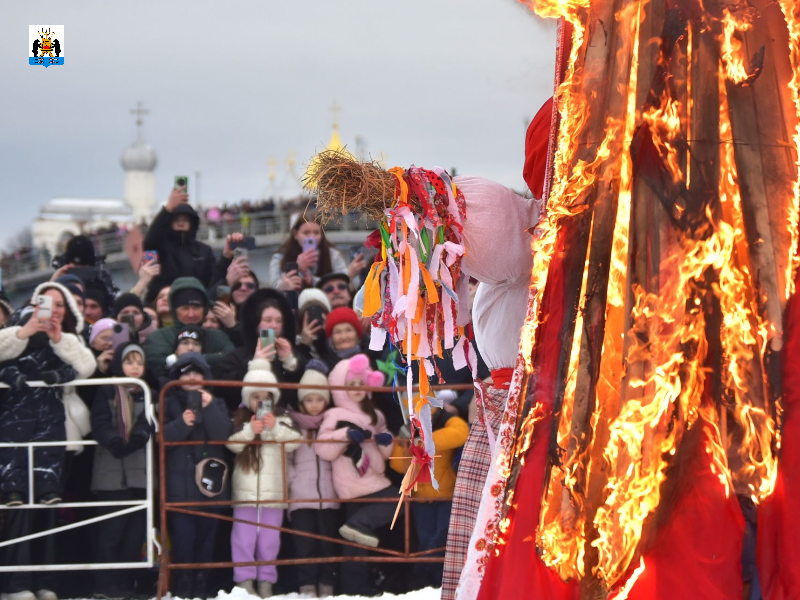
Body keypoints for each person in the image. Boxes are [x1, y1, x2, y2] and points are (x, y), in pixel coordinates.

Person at [0, 282, 96, 600]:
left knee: (49, 511)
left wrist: (58, 339)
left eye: (60, 305)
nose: (52, 311)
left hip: (56, 434)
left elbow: (85, 366)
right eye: (47, 303)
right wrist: (25, 331)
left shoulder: (67, 339)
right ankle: (17, 583)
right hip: (15, 431)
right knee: (19, 509)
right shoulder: (18, 326)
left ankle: (47, 582)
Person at [315, 354, 396, 596]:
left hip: (374, 478)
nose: (357, 389)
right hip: (352, 484)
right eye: (351, 384)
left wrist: (385, 441)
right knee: (355, 548)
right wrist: (346, 435)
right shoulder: (335, 415)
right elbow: (323, 449)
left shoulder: (376, 415)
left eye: (361, 384)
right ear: (341, 387)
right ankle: (354, 591)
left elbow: (386, 452)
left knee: (395, 503)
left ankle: (357, 526)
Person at [227, 358, 301, 598]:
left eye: (265, 396)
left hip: (274, 492)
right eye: (255, 396)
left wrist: (275, 429)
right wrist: (250, 431)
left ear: (273, 397)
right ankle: (244, 580)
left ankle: (266, 582)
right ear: (248, 399)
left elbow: (295, 442)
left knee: (270, 540)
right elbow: (231, 445)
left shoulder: (282, 419)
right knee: (243, 539)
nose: (260, 401)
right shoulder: (239, 420)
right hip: (245, 492)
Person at [162, 352, 232, 599]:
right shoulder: (168, 401)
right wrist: (182, 422)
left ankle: (201, 584)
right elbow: (162, 437)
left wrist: (209, 406)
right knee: (183, 538)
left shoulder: (217, 402)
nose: (192, 377)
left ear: (205, 376)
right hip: (179, 487)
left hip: (210, 485)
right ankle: (183, 584)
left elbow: (223, 434)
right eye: (186, 372)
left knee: (207, 539)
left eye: (197, 372)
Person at [90, 342, 152, 600]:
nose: (134, 368)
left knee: (134, 535)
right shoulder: (106, 391)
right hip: (110, 474)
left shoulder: (148, 393)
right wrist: (113, 440)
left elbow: (148, 421)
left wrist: (139, 435)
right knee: (110, 535)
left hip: (139, 475)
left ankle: (125, 583)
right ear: (119, 365)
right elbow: (100, 421)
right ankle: (105, 584)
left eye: (139, 363)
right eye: (129, 362)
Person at [391, 401, 468, 589]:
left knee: (442, 539)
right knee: (426, 541)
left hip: (446, 495)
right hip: (421, 499)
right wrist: (404, 442)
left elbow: (461, 433)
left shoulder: (445, 419)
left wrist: (424, 442)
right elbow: (397, 465)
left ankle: (421, 578)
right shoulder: (405, 429)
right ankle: (430, 583)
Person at [286, 362, 340, 598]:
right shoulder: (293, 426)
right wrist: (292, 480)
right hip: (301, 497)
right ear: (302, 402)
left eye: (319, 399)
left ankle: (326, 586)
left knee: (327, 544)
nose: (314, 405)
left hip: (329, 495)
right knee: (304, 546)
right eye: (309, 400)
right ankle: (307, 587)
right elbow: (285, 458)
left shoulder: (333, 424)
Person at [214, 288, 304, 413]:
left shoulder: (292, 356)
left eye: (279, 321)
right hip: (245, 420)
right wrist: (254, 364)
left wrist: (290, 363)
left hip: (284, 421)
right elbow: (222, 390)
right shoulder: (237, 356)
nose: (274, 325)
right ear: (256, 324)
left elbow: (304, 393)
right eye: (268, 320)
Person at [144, 277, 235, 380]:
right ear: (174, 309)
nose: (191, 314)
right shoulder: (159, 337)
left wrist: (177, 358)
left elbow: (230, 361)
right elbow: (158, 366)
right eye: (185, 308)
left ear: (204, 309)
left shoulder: (217, 336)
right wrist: (213, 358)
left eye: (196, 308)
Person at [142, 187, 217, 303]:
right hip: (163, 302)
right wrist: (167, 209)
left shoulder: (204, 251)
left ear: (192, 223)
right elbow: (149, 241)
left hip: (193, 304)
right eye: (176, 219)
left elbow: (213, 280)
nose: (181, 222)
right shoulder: (161, 246)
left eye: (185, 219)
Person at [268, 214, 360, 292]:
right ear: (295, 234)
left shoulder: (333, 255)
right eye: (306, 233)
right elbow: (274, 285)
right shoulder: (279, 257)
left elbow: (341, 284)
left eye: (316, 233)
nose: (312, 237)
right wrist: (297, 268)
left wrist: (312, 280)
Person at [294, 289, 333, 367]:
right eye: (310, 312)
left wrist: (324, 337)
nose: (315, 317)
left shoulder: (336, 338)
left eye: (319, 311)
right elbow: (296, 371)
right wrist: (303, 345)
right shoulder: (293, 343)